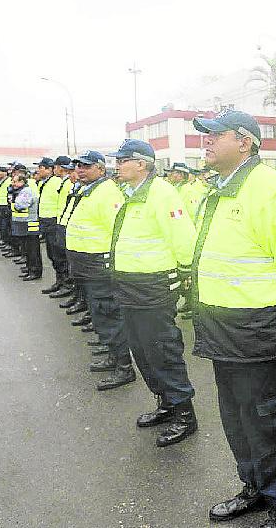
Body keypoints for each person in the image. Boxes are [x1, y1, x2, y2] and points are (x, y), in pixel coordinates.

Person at [191, 109, 276, 528]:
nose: (206, 142)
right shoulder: (222, 187)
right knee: (235, 416)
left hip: (257, 328)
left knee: (268, 419)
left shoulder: (269, 190)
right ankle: (252, 486)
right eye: (205, 136)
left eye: (215, 135)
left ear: (244, 141)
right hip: (220, 326)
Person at [107, 139, 198, 447]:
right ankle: (166, 403)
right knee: (142, 350)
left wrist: (185, 274)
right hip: (129, 285)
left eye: (123, 160)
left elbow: (184, 238)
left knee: (162, 349)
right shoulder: (130, 193)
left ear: (141, 164)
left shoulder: (161, 193)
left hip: (153, 287)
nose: (118, 165)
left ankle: (184, 414)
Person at [66, 151, 135, 391]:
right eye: (78, 166)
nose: (80, 170)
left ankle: (124, 367)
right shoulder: (91, 190)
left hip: (99, 266)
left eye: (86, 166)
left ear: (100, 169)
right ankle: (112, 355)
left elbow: (117, 231)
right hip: (86, 265)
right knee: (99, 314)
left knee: (108, 315)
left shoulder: (107, 193)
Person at [46, 156, 78, 298]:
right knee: (56, 256)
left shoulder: (68, 184)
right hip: (58, 222)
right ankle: (61, 282)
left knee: (63, 259)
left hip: (64, 225)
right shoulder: (64, 183)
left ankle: (67, 285)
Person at [33, 157, 64, 292]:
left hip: (53, 221)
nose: (38, 170)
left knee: (58, 255)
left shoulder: (57, 182)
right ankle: (60, 281)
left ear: (49, 169)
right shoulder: (44, 183)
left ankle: (65, 283)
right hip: (45, 221)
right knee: (51, 254)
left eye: (41, 168)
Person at [10, 172, 42, 280]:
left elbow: (21, 205)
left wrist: (13, 200)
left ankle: (34, 271)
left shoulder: (26, 191)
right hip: (24, 223)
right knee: (27, 249)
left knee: (32, 249)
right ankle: (30, 268)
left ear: (22, 182)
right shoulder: (21, 191)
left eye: (15, 181)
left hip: (30, 224)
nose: (12, 183)